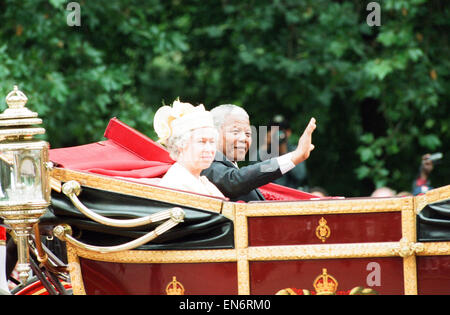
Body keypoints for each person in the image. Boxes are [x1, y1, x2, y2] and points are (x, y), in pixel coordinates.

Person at [201, 104, 316, 202]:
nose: (243, 138)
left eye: (248, 134)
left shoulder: (232, 170)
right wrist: (294, 156)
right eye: (235, 132)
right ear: (213, 133)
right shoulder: (206, 164)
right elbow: (236, 179)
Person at [153, 99, 225, 198]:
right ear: (180, 145)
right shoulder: (177, 184)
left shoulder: (202, 181)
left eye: (212, 142)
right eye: (201, 141)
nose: (209, 149)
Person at [256, 114, 308, 190]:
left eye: (281, 130)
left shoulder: (296, 151)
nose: (278, 133)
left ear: (288, 133)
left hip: (290, 194)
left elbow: (300, 175)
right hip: (269, 194)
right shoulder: (265, 151)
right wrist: (264, 147)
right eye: (274, 130)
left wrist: (285, 153)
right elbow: (253, 175)